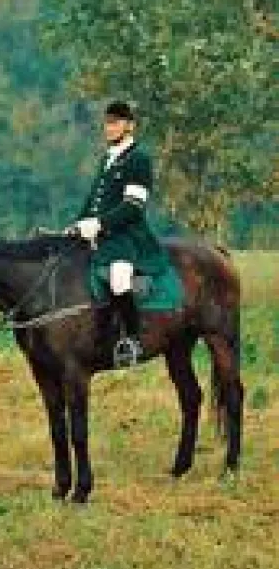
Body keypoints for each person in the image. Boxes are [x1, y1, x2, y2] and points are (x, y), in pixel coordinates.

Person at [71, 100, 167, 368]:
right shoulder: (107, 158)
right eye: (107, 123)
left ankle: (132, 341)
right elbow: (93, 200)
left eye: (115, 123)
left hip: (128, 238)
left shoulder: (139, 159)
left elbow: (133, 207)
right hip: (101, 236)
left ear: (130, 126)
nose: (109, 128)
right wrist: (77, 224)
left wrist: (99, 224)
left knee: (119, 280)